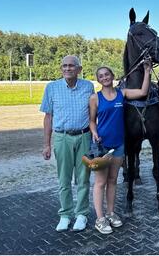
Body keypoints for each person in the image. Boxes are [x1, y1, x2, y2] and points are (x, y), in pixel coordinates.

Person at [89, 60, 152, 234]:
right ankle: (100, 219)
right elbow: (92, 121)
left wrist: (147, 71)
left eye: (107, 74)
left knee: (112, 181)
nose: (104, 77)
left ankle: (110, 213)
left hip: (118, 145)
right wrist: (94, 132)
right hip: (102, 146)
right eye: (101, 76)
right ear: (98, 80)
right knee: (100, 182)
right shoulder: (95, 97)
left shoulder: (121, 93)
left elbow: (143, 92)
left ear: (112, 76)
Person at [41, 55, 94, 232]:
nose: (67, 69)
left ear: (79, 69)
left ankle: (81, 214)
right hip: (62, 137)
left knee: (83, 177)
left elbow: (93, 113)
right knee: (63, 178)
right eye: (64, 65)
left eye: (71, 66)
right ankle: (65, 214)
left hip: (84, 136)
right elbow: (48, 117)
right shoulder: (52, 88)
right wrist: (47, 144)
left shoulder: (88, 86)